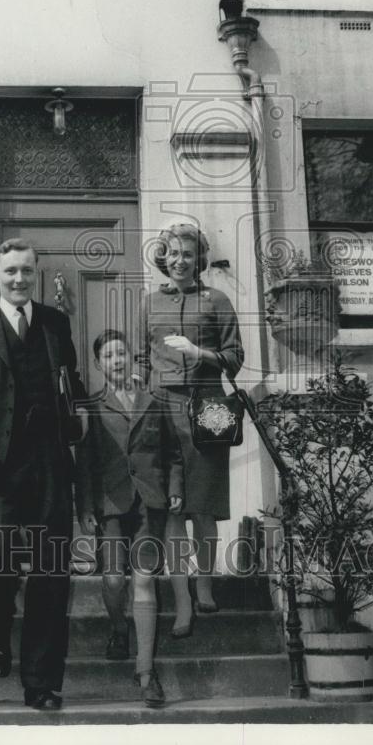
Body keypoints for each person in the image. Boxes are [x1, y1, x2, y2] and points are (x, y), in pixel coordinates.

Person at [0, 238, 87, 711]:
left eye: (27, 271)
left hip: (48, 462)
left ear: (36, 273)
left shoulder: (55, 323)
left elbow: (72, 384)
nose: (19, 279)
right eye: (10, 271)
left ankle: (41, 684)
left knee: (51, 572)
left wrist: (83, 411)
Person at [137, 223, 244, 636]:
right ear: (163, 258)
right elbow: (142, 359)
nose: (179, 261)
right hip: (163, 408)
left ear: (199, 259)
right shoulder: (148, 303)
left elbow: (236, 357)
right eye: (173, 254)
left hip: (210, 406)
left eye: (187, 254)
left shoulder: (216, 300)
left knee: (203, 502)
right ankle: (182, 600)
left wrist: (200, 352)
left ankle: (204, 583)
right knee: (170, 506)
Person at [75, 329, 183, 708]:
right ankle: (119, 628)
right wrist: (86, 507)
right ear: (99, 364)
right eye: (108, 356)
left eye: (121, 353)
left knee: (144, 583)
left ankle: (146, 674)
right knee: (113, 579)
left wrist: (174, 486)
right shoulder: (90, 406)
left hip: (149, 504)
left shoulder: (155, 401)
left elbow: (172, 454)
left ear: (131, 358)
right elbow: (84, 465)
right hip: (111, 504)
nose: (117, 360)